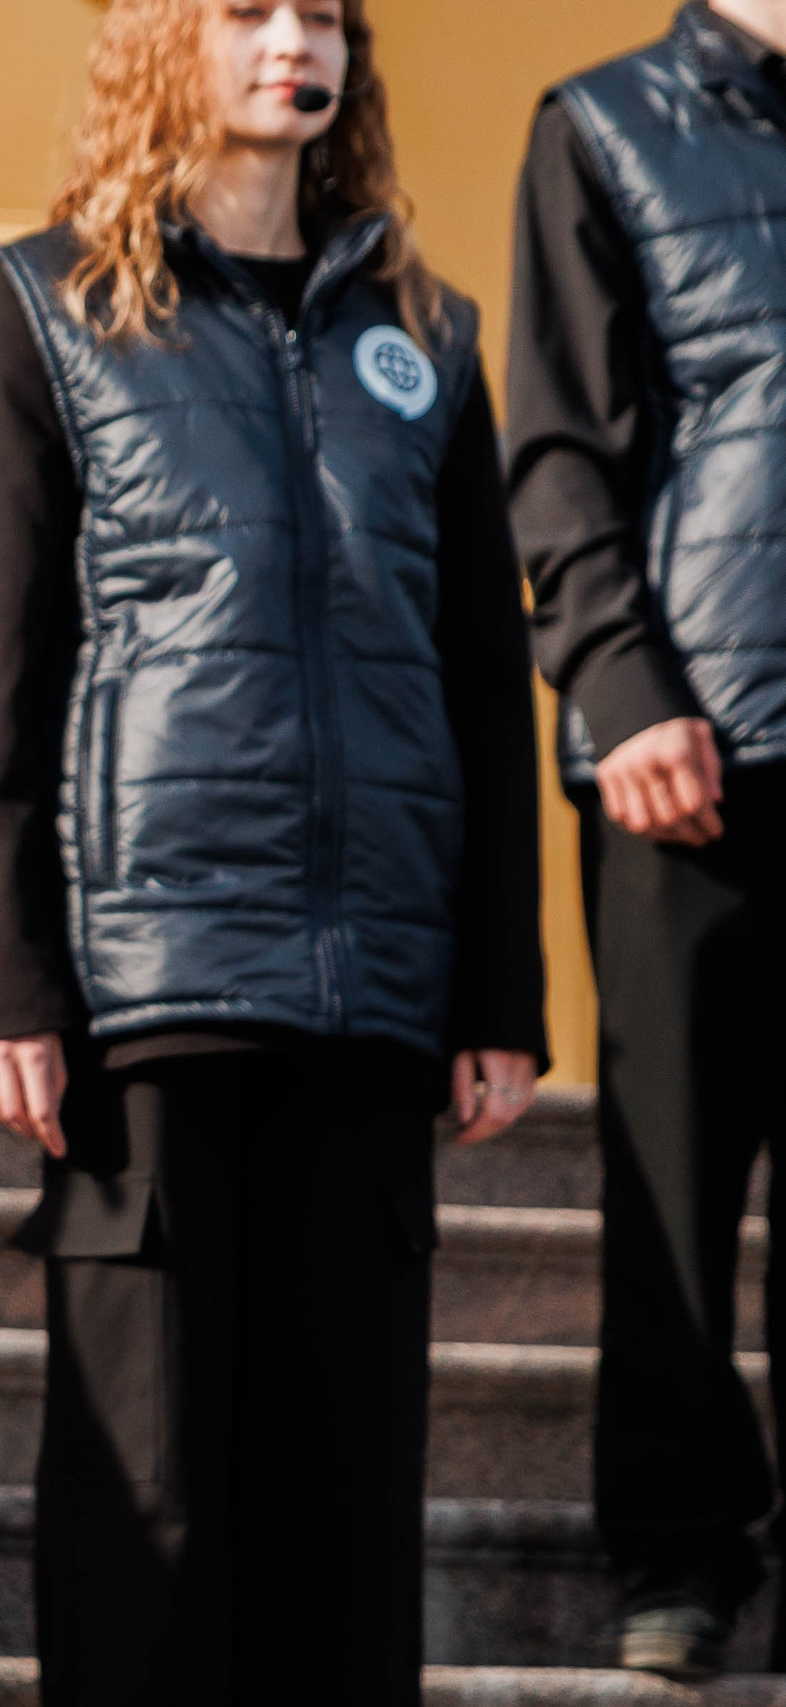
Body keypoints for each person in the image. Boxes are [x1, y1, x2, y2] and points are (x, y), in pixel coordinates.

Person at [0, 1, 548, 1699]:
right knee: (154, 1505)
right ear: (163, 42)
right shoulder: (46, 306)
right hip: (155, 994)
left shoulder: (425, 333)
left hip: (374, 1002)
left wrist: (495, 980)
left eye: (332, 16)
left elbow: (482, 683)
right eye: (252, 8)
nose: (302, 40)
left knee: (345, 1514)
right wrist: (7, 977)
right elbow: (0, 661)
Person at [507, 0, 786, 1678]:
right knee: (675, 1187)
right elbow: (559, 448)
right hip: (698, 750)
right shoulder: (603, 126)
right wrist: (627, 690)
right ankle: (680, 1554)